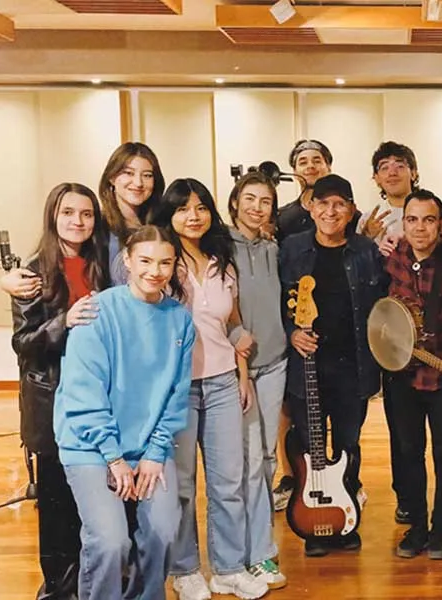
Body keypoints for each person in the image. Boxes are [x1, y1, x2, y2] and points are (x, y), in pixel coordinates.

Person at [53, 224, 195, 600]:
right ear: (127, 261)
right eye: (145, 260)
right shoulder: (97, 311)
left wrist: (154, 452)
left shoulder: (180, 319)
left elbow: (176, 396)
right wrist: (114, 457)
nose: (155, 271)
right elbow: (84, 396)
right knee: (111, 542)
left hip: (148, 445)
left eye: (165, 263)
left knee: (164, 531)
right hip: (91, 446)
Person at [152, 178, 268, 600]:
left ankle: (229, 568)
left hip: (221, 383)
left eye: (201, 207)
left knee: (227, 482)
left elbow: (232, 325)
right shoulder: (162, 263)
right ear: (170, 215)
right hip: (177, 389)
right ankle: (185, 571)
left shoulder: (222, 260)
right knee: (182, 486)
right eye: (183, 209)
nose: (194, 216)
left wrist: (241, 372)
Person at [279, 173, 387, 557]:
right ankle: (313, 517)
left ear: (352, 209)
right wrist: (292, 332)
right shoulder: (290, 248)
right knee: (309, 444)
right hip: (306, 366)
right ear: (310, 206)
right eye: (323, 203)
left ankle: (345, 512)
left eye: (339, 203)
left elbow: (380, 306)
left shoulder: (365, 251)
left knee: (348, 445)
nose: (331, 211)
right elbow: (277, 301)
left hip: (353, 365)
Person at [11, 183, 110, 600]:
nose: (78, 221)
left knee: (98, 500)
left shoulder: (103, 263)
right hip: (53, 400)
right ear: (54, 215)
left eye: (86, 214)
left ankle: (95, 581)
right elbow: (24, 343)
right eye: (69, 212)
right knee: (56, 503)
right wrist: (65, 322)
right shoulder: (32, 272)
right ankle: (58, 588)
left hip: (101, 398)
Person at [358, 141, 442, 526]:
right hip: (395, 346)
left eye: (401, 164)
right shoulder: (370, 218)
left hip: (439, 353)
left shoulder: (434, 215)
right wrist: (368, 241)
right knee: (404, 439)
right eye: (385, 166)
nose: (393, 171)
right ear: (376, 177)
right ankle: (409, 502)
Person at [383, 189, 442, 560]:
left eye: (428, 219)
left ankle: (439, 528)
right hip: (401, 375)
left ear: (441, 224)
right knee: (408, 450)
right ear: (403, 224)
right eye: (412, 219)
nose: (420, 227)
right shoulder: (390, 259)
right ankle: (416, 526)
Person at [227, 172, 289, 589]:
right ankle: (255, 554)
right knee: (249, 464)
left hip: (277, 363)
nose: (256, 207)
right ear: (234, 204)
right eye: (249, 199)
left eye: (265, 201)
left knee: (267, 459)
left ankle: (259, 544)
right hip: (240, 370)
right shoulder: (219, 249)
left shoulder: (272, 248)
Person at [0, 142, 165, 296]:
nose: (138, 182)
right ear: (112, 177)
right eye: (128, 173)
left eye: (147, 175)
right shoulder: (94, 225)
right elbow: (54, 257)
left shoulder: (162, 225)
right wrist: (9, 280)